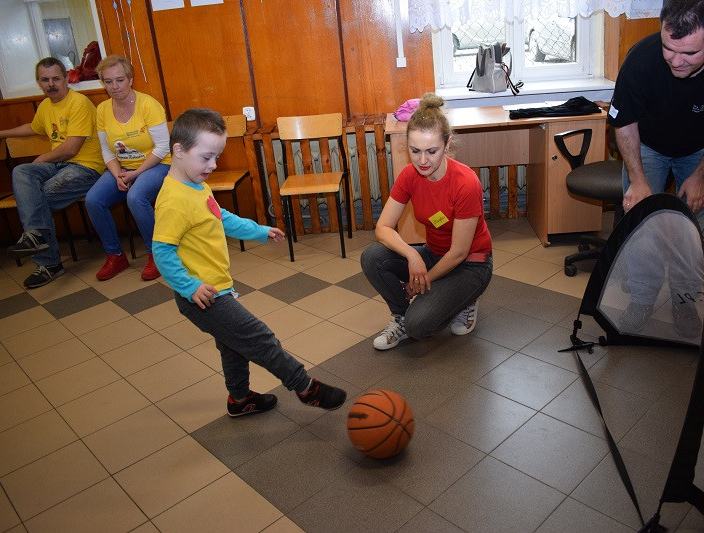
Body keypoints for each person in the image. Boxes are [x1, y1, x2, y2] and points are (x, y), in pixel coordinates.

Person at [152, 108, 346, 417]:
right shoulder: (174, 200)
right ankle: (305, 387)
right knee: (258, 338)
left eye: (217, 157)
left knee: (233, 347)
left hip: (216, 288)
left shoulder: (195, 186)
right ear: (178, 150)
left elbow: (221, 218)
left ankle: (240, 400)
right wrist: (189, 286)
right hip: (203, 296)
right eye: (206, 157)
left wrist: (259, 231)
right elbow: (162, 252)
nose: (213, 165)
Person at [607, 0, 704, 336]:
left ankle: (684, 300)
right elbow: (625, 124)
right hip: (645, 143)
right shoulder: (642, 59)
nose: (676, 61)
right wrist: (638, 179)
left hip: (701, 147)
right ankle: (642, 300)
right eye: (668, 48)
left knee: (697, 227)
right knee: (641, 223)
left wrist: (701, 174)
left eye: (689, 53)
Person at [361, 93, 493, 351]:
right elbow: (383, 227)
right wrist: (412, 255)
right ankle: (400, 316)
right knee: (373, 257)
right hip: (433, 254)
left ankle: (467, 299)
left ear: (447, 145)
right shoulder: (410, 175)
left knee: (419, 327)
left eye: (432, 151)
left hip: (470, 265)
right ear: (407, 146)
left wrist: (420, 282)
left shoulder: (465, 183)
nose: (423, 161)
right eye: (415, 151)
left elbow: (459, 252)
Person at [0, 57, 103, 288]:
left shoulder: (79, 103)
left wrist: (41, 159)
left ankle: (48, 262)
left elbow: (71, 149)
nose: (51, 84)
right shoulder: (45, 106)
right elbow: (33, 128)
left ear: (66, 79)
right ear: (39, 83)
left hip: (86, 167)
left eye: (56, 78)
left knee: (38, 195)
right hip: (60, 167)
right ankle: (37, 236)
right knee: (23, 172)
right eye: (45, 80)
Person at [85, 55, 171, 281]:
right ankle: (115, 255)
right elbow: (106, 150)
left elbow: (163, 147)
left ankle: (158, 255)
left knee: (135, 196)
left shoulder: (148, 104)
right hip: (122, 167)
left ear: (130, 80)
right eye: (108, 81)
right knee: (93, 200)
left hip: (158, 165)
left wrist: (135, 173)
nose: (114, 86)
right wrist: (117, 175)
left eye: (119, 80)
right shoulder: (102, 110)